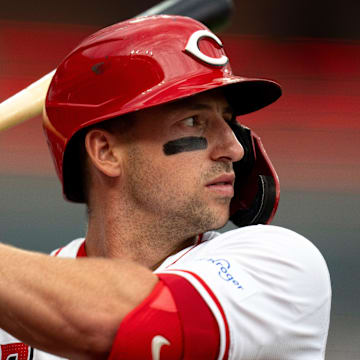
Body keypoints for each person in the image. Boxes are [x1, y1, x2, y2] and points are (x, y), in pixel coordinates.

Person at [0, 15, 331, 360]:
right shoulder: (17, 297)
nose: (234, 149)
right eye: (193, 120)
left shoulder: (280, 266)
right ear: (106, 152)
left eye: (229, 121)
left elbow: (124, 325)